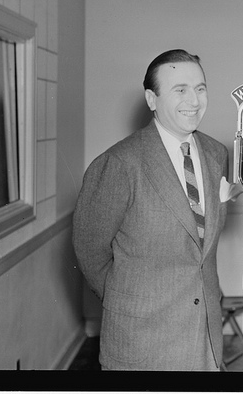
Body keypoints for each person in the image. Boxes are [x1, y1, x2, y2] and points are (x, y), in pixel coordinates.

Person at [73, 49, 231, 370]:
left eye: (200, 88)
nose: (194, 100)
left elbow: (201, 251)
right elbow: (90, 252)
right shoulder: (119, 163)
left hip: (206, 339)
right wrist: (131, 301)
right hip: (143, 344)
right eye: (180, 90)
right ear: (151, 99)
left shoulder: (216, 154)